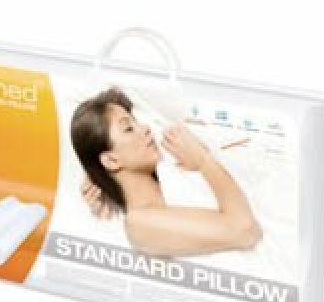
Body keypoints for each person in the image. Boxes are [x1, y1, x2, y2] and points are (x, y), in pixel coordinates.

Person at [70, 87, 262, 257]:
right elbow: (245, 231)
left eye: (136, 122)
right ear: (111, 160)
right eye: (128, 128)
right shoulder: (140, 223)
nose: (145, 128)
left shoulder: (171, 167)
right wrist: (202, 160)